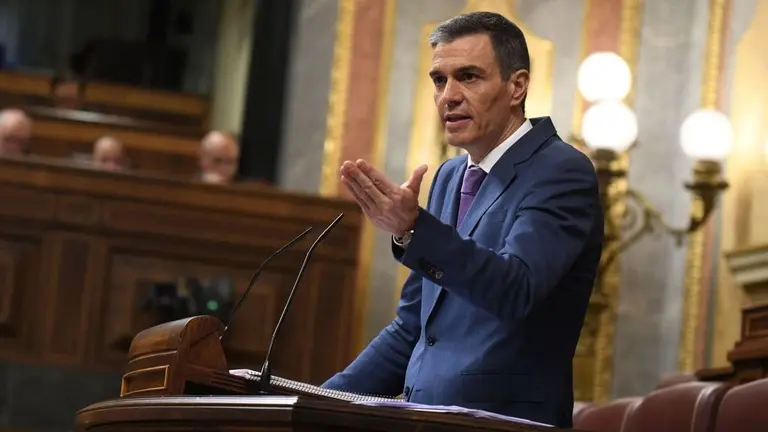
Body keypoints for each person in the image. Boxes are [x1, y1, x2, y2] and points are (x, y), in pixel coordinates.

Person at [321, 12, 603, 428]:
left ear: (517, 86)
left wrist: (413, 227)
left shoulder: (561, 170)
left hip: (503, 422)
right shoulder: (450, 177)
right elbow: (414, 329)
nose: (448, 95)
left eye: (468, 77)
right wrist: (315, 401)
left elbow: (516, 288)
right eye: (439, 80)